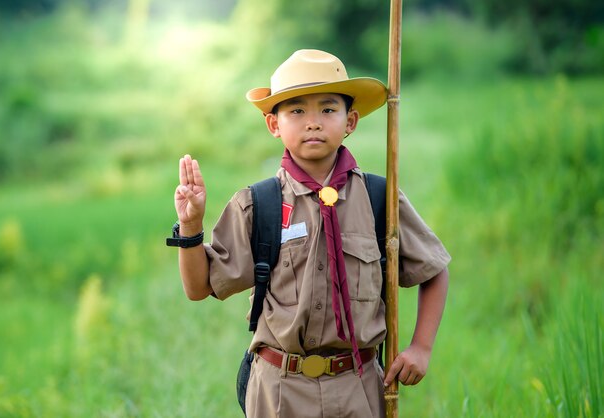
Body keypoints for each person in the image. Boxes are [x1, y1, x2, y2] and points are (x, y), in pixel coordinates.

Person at [171, 49, 450, 417]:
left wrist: (421, 347)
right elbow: (199, 288)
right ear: (274, 125)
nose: (313, 122)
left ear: (350, 120)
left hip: (359, 385)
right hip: (280, 388)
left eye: (328, 109)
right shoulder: (258, 204)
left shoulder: (379, 198)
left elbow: (434, 269)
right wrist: (191, 227)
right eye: (297, 110)